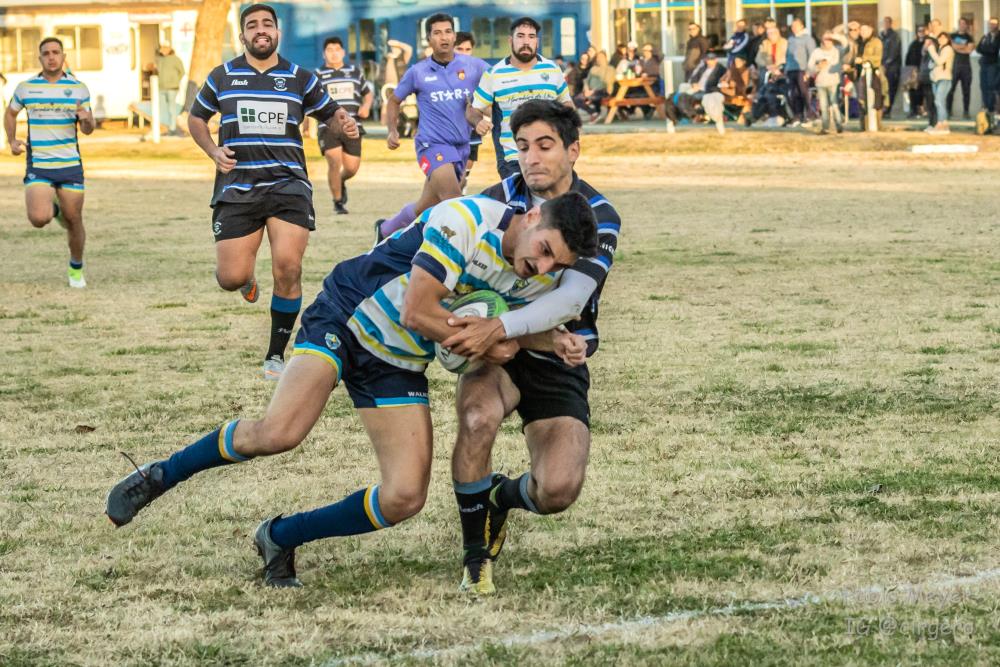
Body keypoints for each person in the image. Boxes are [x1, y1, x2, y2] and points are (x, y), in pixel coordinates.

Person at [105, 188, 600, 589]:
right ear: (531, 217)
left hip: (397, 361)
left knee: (404, 497)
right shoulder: (466, 221)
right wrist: (484, 342)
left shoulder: (533, 277)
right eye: (544, 250)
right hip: (345, 317)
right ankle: (160, 475)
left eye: (556, 266)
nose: (543, 268)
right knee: (279, 432)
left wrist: (554, 340)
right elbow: (418, 312)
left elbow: (505, 322)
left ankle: (280, 536)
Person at [449, 100, 620, 594]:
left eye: (545, 145)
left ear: (573, 150)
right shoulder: (496, 201)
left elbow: (569, 300)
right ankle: (475, 558)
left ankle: (498, 498)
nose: (531, 158)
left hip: (554, 351)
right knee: (477, 418)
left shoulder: (599, 215)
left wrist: (499, 327)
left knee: (558, 490)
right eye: (522, 146)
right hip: (497, 350)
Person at [186, 4, 359, 381]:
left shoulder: (300, 77)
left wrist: (343, 124)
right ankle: (246, 279)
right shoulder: (222, 75)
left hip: (288, 184)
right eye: (252, 25)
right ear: (242, 36)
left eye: (267, 24)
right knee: (230, 277)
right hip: (237, 187)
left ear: (278, 33)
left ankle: (276, 355)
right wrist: (213, 151)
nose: (260, 30)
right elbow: (196, 118)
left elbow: (330, 114)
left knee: (288, 266)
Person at [375, 14, 488, 241]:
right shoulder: (418, 72)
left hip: (462, 147)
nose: (443, 37)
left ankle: (385, 230)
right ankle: (462, 252)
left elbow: (499, 81)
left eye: (448, 32)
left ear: (454, 36)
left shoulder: (474, 66)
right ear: (428, 39)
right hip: (432, 145)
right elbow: (394, 100)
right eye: (437, 33)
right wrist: (392, 130)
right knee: (454, 200)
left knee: (426, 206)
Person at [3, 37, 94, 288]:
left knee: (74, 219)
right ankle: (55, 210)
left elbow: (88, 129)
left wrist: (86, 119)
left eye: (56, 52)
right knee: (38, 218)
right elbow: (10, 113)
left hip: (70, 165)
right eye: (46, 53)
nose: (51, 57)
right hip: (40, 165)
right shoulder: (26, 88)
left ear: (63, 56)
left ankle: (76, 268)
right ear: (40, 58)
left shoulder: (78, 88)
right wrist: (11, 140)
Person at [468, 16, 573, 180]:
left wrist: (569, 130)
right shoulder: (494, 74)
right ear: (510, 41)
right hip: (513, 157)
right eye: (521, 36)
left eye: (531, 37)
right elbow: (473, 110)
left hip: (549, 155)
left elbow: (566, 103)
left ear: (537, 42)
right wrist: (478, 121)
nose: (526, 42)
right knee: (524, 197)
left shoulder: (552, 69)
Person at [316, 36, 373, 215]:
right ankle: (338, 202)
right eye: (329, 50)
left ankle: (340, 181)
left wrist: (366, 106)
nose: (333, 53)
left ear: (343, 52)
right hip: (328, 126)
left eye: (337, 50)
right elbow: (310, 100)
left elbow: (367, 93)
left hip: (353, 125)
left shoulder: (355, 72)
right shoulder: (317, 75)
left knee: (351, 168)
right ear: (324, 54)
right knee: (334, 161)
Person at [454, 31, 491, 189]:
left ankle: (461, 189)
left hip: (472, 124)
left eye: (467, 49)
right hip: (448, 126)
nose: (464, 53)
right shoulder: (440, 70)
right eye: (459, 49)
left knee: (465, 169)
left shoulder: (479, 69)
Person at [808, 31, 849, 134]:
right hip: (820, 83)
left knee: (834, 104)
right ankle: (825, 128)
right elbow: (810, 67)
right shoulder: (816, 52)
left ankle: (839, 126)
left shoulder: (837, 50)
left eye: (830, 40)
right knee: (823, 106)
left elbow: (846, 44)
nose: (827, 42)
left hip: (833, 82)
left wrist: (834, 35)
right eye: (825, 39)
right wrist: (818, 67)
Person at [702, 54, 751, 134]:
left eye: (739, 61)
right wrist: (723, 83)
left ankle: (718, 119)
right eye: (735, 61)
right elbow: (721, 80)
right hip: (723, 91)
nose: (737, 63)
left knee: (714, 98)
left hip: (733, 94)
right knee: (708, 97)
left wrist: (728, 85)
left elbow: (742, 87)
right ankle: (717, 119)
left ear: (744, 62)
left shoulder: (745, 71)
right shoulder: (730, 70)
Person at [785, 18, 816, 126]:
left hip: (802, 70)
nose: (793, 28)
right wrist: (786, 69)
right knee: (794, 94)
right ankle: (798, 116)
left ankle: (810, 115)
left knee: (804, 92)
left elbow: (812, 56)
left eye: (796, 26)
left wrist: (809, 71)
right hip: (791, 70)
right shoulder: (790, 39)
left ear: (802, 26)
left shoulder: (808, 39)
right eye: (792, 26)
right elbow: (787, 55)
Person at [855, 24, 886, 130]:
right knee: (861, 99)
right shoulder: (858, 43)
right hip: (860, 74)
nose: (862, 32)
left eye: (865, 30)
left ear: (871, 30)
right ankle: (863, 126)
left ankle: (876, 125)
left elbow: (878, 57)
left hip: (874, 74)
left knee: (875, 99)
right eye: (861, 30)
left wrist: (863, 59)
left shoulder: (876, 42)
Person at [154, 43, 186, 135]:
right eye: (161, 48)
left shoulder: (176, 59)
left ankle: (172, 128)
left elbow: (182, 72)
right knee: (161, 108)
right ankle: (164, 128)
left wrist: (175, 81)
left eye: (164, 48)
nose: (161, 50)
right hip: (161, 88)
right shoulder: (160, 59)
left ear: (169, 49)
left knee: (171, 108)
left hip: (172, 88)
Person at [574, 50, 614, 122]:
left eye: (601, 57)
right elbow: (586, 81)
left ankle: (597, 113)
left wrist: (593, 91)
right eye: (598, 57)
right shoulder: (593, 68)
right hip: (590, 91)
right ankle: (594, 113)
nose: (599, 59)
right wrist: (586, 90)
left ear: (605, 58)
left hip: (602, 91)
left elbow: (607, 82)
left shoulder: (610, 69)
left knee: (593, 97)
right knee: (577, 99)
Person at [927, 31, 954, 133]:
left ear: (948, 40)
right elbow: (930, 64)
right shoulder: (939, 49)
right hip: (935, 78)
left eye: (944, 38)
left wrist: (931, 50)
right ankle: (944, 123)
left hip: (944, 78)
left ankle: (940, 123)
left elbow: (939, 61)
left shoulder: (948, 49)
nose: (941, 39)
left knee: (939, 101)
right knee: (940, 101)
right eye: (940, 37)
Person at [947, 18, 975, 119]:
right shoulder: (952, 36)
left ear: (966, 25)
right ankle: (948, 111)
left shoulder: (969, 37)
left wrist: (957, 47)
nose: (962, 25)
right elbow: (953, 47)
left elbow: (969, 50)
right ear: (958, 24)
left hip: (966, 67)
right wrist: (963, 46)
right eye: (961, 23)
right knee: (950, 89)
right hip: (954, 65)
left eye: (964, 24)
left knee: (966, 90)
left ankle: (966, 112)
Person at [976, 18, 1000, 114]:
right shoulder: (986, 36)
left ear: (998, 25)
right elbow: (978, 48)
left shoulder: (999, 36)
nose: (992, 25)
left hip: (994, 65)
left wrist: (985, 48)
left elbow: (994, 49)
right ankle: (986, 107)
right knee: (983, 86)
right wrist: (988, 48)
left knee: (991, 86)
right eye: (990, 23)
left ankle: (991, 108)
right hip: (984, 64)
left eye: (994, 24)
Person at [879, 17, 902, 115]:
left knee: (890, 88)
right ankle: (883, 108)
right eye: (883, 22)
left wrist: (885, 64)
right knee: (882, 88)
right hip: (881, 66)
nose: (884, 24)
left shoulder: (894, 36)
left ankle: (887, 109)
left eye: (886, 22)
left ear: (890, 23)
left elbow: (894, 52)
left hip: (892, 68)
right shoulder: (881, 36)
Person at [904, 25, 927, 118]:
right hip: (912, 70)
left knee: (921, 91)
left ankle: (921, 109)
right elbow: (908, 57)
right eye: (919, 31)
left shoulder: (927, 43)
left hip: (922, 70)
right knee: (912, 91)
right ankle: (913, 109)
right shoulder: (913, 44)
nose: (921, 33)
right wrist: (908, 70)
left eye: (923, 31)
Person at [754, 25, 787, 90]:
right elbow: (758, 59)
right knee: (762, 73)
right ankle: (762, 92)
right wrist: (767, 65)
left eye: (771, 33)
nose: (769, 35)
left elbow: (786, 57)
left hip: (781, 66)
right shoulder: (765, 43)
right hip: (768, 67)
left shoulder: (784, 43)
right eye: (768, 34)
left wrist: (776, 66)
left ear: (777, 33)